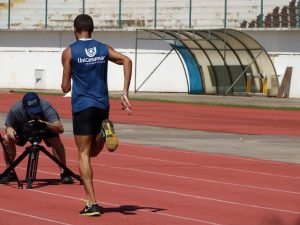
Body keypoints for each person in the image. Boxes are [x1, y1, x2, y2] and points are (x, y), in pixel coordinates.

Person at [61, 14, 132, 217]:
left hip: (83, 106)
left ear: (75, 30)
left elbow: (65, 87)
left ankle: (92, 202)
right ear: (92, 29)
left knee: (84, 154)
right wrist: (125, 93)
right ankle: (104, 129)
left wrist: (69, 76)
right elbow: (127, 60)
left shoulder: (69, 52)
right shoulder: (103, 48)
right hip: (102, 106)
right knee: (92, 152)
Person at [0, 92, 73, 184]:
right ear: (24, 107)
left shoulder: (46, 106)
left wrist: (44, 123)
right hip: (24, 129)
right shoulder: (16, 109)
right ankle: (9, 171)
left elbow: (60, 128)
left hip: (44, 127)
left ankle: (64, 172)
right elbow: (9, 126)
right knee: (6, 139)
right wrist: (10, 130)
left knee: (55, 140)